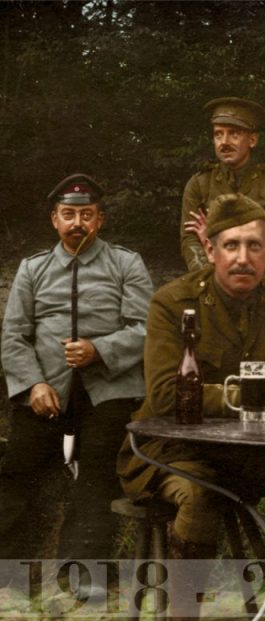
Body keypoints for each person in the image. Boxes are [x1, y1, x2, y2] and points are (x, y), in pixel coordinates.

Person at [118, 193, 265, 621]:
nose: (244, 258)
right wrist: (249, 395)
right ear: (210, 250)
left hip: (250, 450)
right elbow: (166, 395)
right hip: (177, 450)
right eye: (231, 246)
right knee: (199, 496)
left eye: (255, 246)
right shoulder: (173, 302)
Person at [0, 174, 152, 574]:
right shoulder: (33, 269)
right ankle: (9, 574)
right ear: (54, 219)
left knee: (100, 473)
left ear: (100, 220)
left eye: (86, 214)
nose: (77, 223)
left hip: (109, 389)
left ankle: (84, 577)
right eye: (68, 214)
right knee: (15, 469)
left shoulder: (125, 263)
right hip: (46, 389)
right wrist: (34, 383)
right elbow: (14, 335)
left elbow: (146, 328)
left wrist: (99, 349)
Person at [180, 96, 265, 281]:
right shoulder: (199, 183)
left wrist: (211, 236)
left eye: (234, 134)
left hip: (263, 279)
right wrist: (212, 278)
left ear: (253, 140)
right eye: (218, 134)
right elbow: (189, 241)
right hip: (208, 278)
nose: (224, 142)